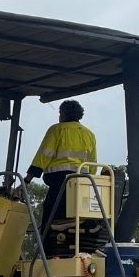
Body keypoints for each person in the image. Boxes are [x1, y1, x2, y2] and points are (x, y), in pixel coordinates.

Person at [25, 100, 97, 243]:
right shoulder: (90, 134)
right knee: (75, 214)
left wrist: (27, 179)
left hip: (60, 179)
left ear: (63, 114)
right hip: (82, 181)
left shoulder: (57, 130)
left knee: (50, 213)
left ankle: (47, 248)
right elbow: (93, 163)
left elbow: (43, 155)